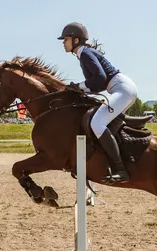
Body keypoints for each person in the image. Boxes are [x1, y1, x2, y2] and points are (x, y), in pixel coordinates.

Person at [58, 22, 137, 182]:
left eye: (65, 39)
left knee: (97, 123)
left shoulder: (85, 54)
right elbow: (98, 84)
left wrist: (79, 86)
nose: (63, 43)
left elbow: (100, 79)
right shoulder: (84, 54)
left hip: (122, 89)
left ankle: (120, 169)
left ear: (76, 40)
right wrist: (79, 90)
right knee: (101, 122)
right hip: (119, 88)